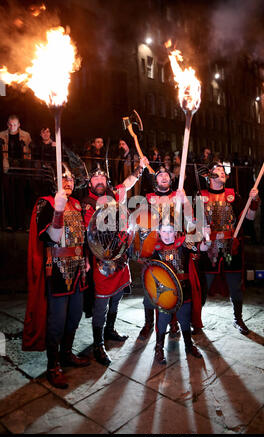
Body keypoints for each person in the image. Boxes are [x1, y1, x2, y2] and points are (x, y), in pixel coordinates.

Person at [22, 165, 91, 389]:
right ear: (55, 181)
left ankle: (67, 354)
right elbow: (50, 238)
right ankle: (53, 366)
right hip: (57, 270)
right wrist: (58, 211)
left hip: (78, 269)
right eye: (64, 178)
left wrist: (86, 259)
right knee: (57, 322)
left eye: (70, 178)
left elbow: (81, 236)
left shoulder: (78, 204)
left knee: (74, 318)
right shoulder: (46, 203)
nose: (68, 181)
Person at [81, 156, 149, 366]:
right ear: (90, 182)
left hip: (120, 257)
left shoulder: (114, 195)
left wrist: (141, 168)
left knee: (117, 296)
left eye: (102, 176)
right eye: (95, 178)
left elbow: (129, 182)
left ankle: (110, 330)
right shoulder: (86, 204)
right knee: (101, 302)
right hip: (101, 260)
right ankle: (98, 344)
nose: (99, 180)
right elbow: (86, 234)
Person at [200, 161, 259, 335]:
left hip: (230, 249)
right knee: (203, 285)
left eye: (223, 170)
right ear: (210, 175)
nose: (222, 172)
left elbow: (249, 217)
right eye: (217, 170)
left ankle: (238, 318)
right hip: (210, 250)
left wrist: (254, 201)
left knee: (235, 284)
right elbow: (192, 222)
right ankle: (196, 320)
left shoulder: (234, 195)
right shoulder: (201, 195)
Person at [138, 167, 197, 340]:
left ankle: (174, 323)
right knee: (151, 284)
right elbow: (142, 223)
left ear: (171, 180)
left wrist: (184, 200)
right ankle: (148, 323)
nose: (164, 177)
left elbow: (190, 218)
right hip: (154, 246)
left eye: (167, 175)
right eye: (160, 175)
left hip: (175, 244)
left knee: (176, 282)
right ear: (155, 180)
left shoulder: (178, 196)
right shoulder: (148, 199)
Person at [147, 219, 204, 364]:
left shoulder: (183, 244)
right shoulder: (155, 249)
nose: (167, 235)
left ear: (176, 232)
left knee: (184, 320)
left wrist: (207, 239)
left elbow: (200, 248)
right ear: (159, 232)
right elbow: (150, 273)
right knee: (162, 322)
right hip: (164, 294)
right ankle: (159, 348)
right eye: (164, 231)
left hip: (184, 291)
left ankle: (189, 346)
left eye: (171, 231)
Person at [0, 114, 32, 230]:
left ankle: (22, 224)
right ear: (7, 124)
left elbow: (29, 153)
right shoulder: (2, 135)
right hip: (7, 169)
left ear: (19, 124)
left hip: (21, 169)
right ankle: (10, 224)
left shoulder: (26, 135)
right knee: (9, 196)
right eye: (10, 124)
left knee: (21, 196)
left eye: (14, 124)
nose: (12, 126)